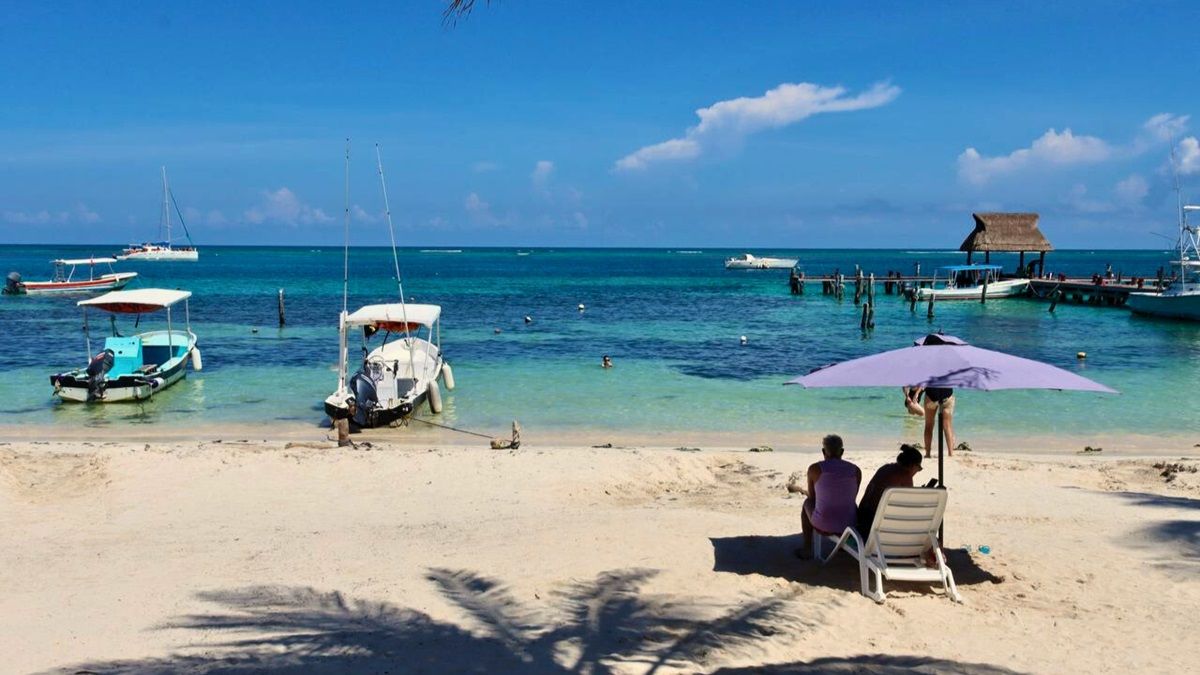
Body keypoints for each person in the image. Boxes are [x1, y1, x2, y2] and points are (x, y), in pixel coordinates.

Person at [799, 434, 862, 558]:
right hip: (849, 524)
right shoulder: (856, 470)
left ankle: (807, 548)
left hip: (823, 525)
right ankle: (843, 543)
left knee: (807, 503)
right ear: (842, 451)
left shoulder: (815, 469)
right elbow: (852, 496)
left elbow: (812, 497)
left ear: (823, 451)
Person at [857, 445, 923, 533]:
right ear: (912, 465)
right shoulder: (905, 475)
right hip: (877, 525)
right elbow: (910, 506)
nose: (917, 472)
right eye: (919, 468)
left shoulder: (885, 468)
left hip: (862, 518)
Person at [922, 386, 956, 459]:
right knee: (947, 426)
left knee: (929, 425)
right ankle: (950, 453)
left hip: (931, 395)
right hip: (947, 394)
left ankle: (928, 454)